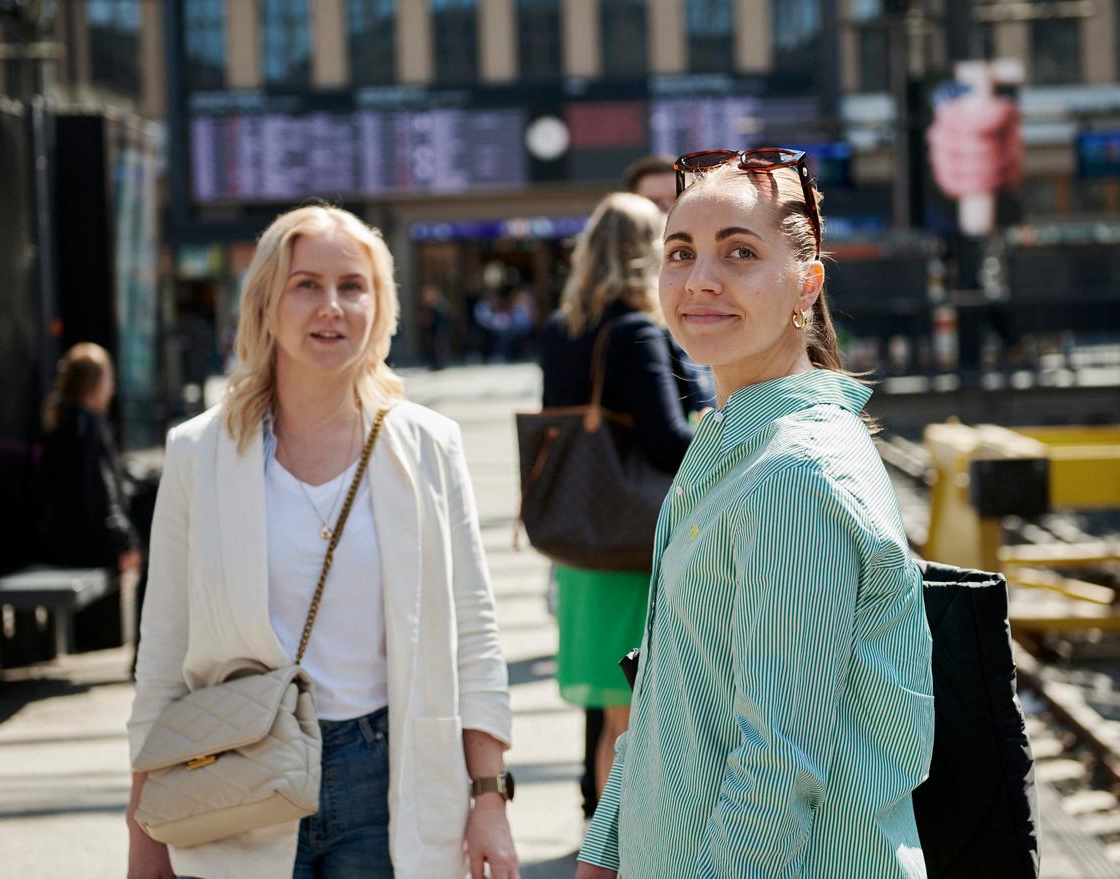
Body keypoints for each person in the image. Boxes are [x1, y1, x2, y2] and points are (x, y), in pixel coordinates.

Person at [126, 205, 518, 879]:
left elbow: (474, 638)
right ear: (268, 303)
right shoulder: (200, 453)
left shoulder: (427, 446)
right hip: (237, 775)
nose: (330, 306)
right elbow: (163, 652)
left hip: (389, 776)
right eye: (306, 284)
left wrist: (489, 798)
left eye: (351, 285)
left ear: (380, 304)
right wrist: (144, 837)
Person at [577, 150, 935, 878]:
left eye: (739, 251)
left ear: (807, 284)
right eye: (681, 252)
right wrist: (604, 850)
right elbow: (667, 696)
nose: (701, 278)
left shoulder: (793, 478)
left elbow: (777, 769)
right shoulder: (733, 448)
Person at [539, 192, 705, 819]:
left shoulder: (564, 330)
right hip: (636, 544)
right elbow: (667, 440)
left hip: (584, 541)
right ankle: (629, 850)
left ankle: (609, 842)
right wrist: (738, 436)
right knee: (634, 718)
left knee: (614, 712)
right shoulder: (636, 331)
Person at [38, 342, 142, 576]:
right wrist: (126, 543)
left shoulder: (59, 420)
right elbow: (103, 493)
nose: (112, 390)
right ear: (92, 385)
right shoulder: (91, 427)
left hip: (58, 545)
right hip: (92, 549)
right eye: (108, 381)